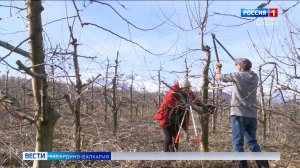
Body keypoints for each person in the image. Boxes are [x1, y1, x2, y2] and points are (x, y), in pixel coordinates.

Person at [215, 58, 270, 168]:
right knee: (252, 142)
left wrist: (218, 68)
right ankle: (264, 166)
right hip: (252, 115)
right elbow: (245, 71)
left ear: (240, 67)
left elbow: (218, 77)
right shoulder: (255, 77)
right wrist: (241, 65)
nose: (236, 67)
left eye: (237, 65)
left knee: (237, 144)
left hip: (239, 114)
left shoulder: (237, 76)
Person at [153, 77, 205, 152]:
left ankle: (175, 154)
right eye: (186, 88)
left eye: (188, 88)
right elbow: (170, 102)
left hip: (176, 118)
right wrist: (181, 105)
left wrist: (203, 106)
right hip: (167, 117)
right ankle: (167, 156)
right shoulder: (173, 90)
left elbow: (195, 99)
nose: (187, 90)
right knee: (169, 137)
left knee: (176, 136)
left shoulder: (188, 91)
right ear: (181, 87)